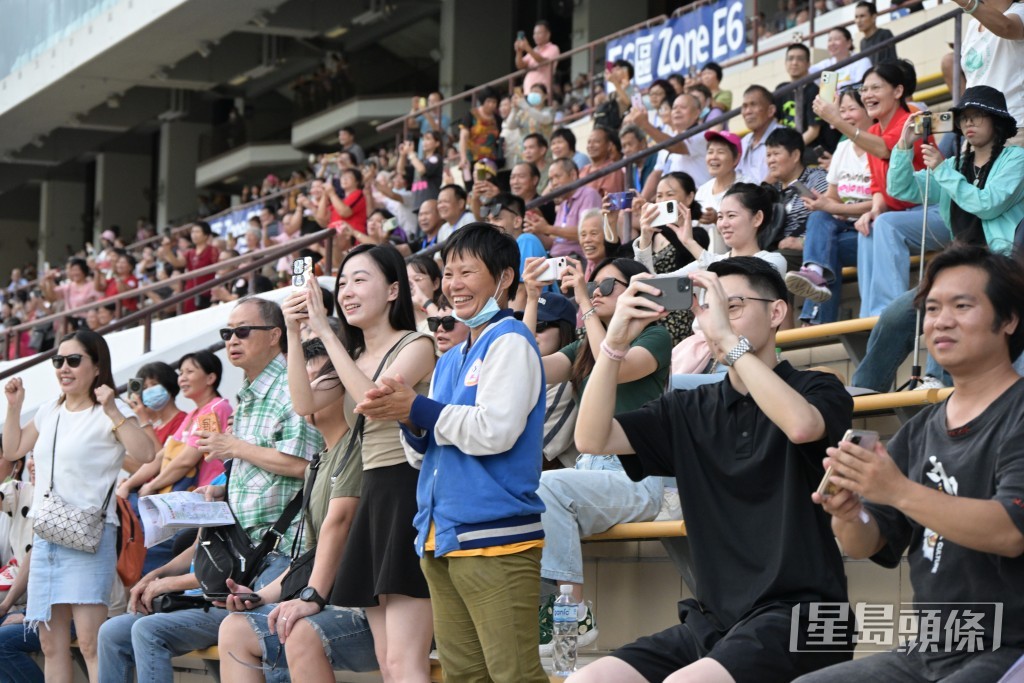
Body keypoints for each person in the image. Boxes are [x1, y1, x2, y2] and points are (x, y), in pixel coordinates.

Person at [566, 256, 854, 683]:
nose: (716, 315)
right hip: (716, 622)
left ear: (777, 312)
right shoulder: (689, 407)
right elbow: (591, 439)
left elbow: (801, 426)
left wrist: (727, 342)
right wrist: (614, 344)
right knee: (587, 680)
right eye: (709, 304)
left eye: (731, 304)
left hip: (807, 620)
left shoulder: (816, 388)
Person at [796, 245, 1024, 683]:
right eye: (933, 308)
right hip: (933, 649)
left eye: (963, 305)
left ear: (1009, 319)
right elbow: (866, 543)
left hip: (1010, 646)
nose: (942, 320)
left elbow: (1010, 532)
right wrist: (850, 512)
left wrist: (896, 488)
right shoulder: (920, 430)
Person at [356, 223, 549, 683]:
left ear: (504, 278)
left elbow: (495, 431)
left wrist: (418, 407)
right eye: (448, 273)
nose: (453, 284)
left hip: (497, 539)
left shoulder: (511, 340)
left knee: (514, 674)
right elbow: (424, 456)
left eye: (467, 272)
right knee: (465, 675)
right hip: (442, 538)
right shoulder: (453, 355)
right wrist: (407, 418)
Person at [96, 297, 324, 683]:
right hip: (234, 555)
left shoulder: (290, 388)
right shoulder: (248, 396)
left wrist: (234, 448)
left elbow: (306, 468)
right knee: (112, 632)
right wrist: (222, 491)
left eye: (242, 331)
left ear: (274, 336)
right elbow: (257, 471)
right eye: (227, 333)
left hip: (278, 560)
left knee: (146, 630)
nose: (232, 340)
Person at [296, 244, 436, 683]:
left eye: (360, 280)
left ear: (394, 290)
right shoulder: (351, 357)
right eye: (341, 283)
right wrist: (293, 324)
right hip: (374, 493)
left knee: (406, 661)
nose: (347, 292)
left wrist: (326, 330)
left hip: (410, 489)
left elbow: (370, 402)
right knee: (387, 661)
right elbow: (304, 403)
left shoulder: (418, 344)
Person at [521, 254, 671, 654]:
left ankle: (570, 611)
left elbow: (617, 365)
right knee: (518, 493)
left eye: (607, 286)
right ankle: (557, 622)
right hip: (590, 473)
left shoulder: (655, 336)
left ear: (636, 293)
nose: (597, 293)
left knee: (543, 486)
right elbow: (526, 368)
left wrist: (584, 302)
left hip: (634, 476)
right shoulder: (582, 347)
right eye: (594, 285)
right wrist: (532, 300)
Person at [215, 337, 375, 683]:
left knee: (300, 630)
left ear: (343, 386)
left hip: (366, 609)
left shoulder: (356, 448)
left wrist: (311, 598)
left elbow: (340, 524)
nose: (298, 390)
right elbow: (311, 557)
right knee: (235, 628)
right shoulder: (319, 461)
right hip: (330, 600)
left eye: (311, 379)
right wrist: (261, 595)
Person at [3, 329, 156, 682]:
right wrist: (13, 408)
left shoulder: (107, 413)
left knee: (89, 641)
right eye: (58, 361)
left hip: (90, 535)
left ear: (97, 365)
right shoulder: (49, 410)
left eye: (74, 360)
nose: (64, 368)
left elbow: (147, 454)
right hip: (47, 536)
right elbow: (13, 450)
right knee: (51, 643)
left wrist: (114, 409)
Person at [849, 86, 1024, 391]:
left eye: (978, 117)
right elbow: (902, 191)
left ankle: (935, 379)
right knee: (894, 316)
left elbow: (988, 203)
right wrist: (904, 146)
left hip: (1003, 266)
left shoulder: (1016, 159)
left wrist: (943, 169)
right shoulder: (955, 166)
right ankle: (864, 390)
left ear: (997, 122)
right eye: (964, 118)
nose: (969, 123)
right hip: (960, 266)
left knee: (944, 307)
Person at [814, 62, 939, 316]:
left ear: (897, 91)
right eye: (864, 89)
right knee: (868, 227)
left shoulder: (911, 120)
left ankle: (892, 311)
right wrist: (874, 209)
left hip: (932, 211)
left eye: (876, 88)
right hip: (901, 214)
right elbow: (877, 186)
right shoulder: (872, 130)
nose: (867, 94)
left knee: (886, 224)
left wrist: (837, 120)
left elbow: (885, 149)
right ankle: (870, 314)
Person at [786, 87, 874, 325]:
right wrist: (823, 202)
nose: (844, 115)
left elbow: (880, 204)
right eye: (841, 109)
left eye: (851, 109)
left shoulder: (878, 144)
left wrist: (832, 208)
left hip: (871, 230)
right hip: (844, 228)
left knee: (824, 248)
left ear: (869, 109)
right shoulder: (843, 148)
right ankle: (814, 272)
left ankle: (815, 318)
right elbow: (834, 196)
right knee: (819, 220)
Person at [634, 182, 788, 278]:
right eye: (720, 217)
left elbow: (739, 275)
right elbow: (651, 283)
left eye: (731, 215)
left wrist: (690, 243)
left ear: (757, 218)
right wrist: (645, 238)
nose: (723, 224)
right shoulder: (707, 263)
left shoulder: (774, 261)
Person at [627, 173, 711, 342]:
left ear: (689, 197)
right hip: (651, 311)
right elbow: (634, 268)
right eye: (659, 196)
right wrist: (644, 235)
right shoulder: (652, 234)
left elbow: (686, 254)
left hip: (683, 314)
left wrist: (660, 224)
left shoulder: (698, 235)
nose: (663, 200)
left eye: (670, 194)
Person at [955, 0, 1024, 146]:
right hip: (979, 129)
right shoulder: (973, 25)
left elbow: (1007, 27)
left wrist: (967, 3)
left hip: (1014, 125)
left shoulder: (1020, 11)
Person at [626, 93, 710, 192]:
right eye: (674, 108)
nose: (677, 111)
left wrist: (644, 124)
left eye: (683, 107)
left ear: (697, 113)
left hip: (698, 200)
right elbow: (657, 173)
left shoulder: (702, 134)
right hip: (673, 201)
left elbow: (676, 146)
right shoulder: (670, 137)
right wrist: (643, 199)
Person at [765, 127, 829, 252]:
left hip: (806, 251)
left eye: (776, 154)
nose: (771, 160)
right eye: (768, 155)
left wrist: (804, 242)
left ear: (795, 155)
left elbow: (831, 215)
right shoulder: (772, 191)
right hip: (774, 252)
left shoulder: (816, 179)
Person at [525, 158, 602, 258]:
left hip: (577, 258)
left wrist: (548, 229)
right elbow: (554, 241)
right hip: (555, 258)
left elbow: (586, 233)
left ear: (573, 175)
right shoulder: (564, 201)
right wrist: (536, 229)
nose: (554, 183)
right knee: (527, 239)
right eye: (551, 179)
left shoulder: (588, 194)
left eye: (557, 176)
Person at [484, 192, 546, 309]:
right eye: (488, 220)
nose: (490, 225)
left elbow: (521, 292)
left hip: (544, 318)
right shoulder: (499, 252)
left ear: (517, 222)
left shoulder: (526, 240)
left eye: (497, 219)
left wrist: (513, 327)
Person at [775, 44, 839, 156]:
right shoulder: (781, 89)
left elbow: (813, 132)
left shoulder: (814, 90)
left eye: (800, 59)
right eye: (790, 58)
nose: (794, 62)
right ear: (785, 63)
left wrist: (790, 151)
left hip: (811, 149)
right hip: (788, 147)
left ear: (808, 64)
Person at [695, 130, 750, 252]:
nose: (713, 157)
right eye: (710, 152)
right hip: (702, 254)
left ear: (736, 159)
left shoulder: (747, 187)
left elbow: (749, 230)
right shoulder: (703, 190)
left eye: (721, 152)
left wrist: (717, 220)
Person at [159, 221, 220, 314]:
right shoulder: (189, 252)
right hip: (190, 293)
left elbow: (218, 270)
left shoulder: (212, 250)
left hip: (207, 292)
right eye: (192, 232)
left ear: (206, 235)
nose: (194, 235)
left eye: (197, 232)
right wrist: (167, 249)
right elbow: (177, 263)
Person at [736, 85, 783, 183]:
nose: (748, 111)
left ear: (771, 110)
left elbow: (780, 174)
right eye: (744, 106)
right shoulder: (744, 142)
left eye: (753, 105)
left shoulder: (784, 136)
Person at [40, 258, 100, 329]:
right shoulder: (68, 286)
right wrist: (49, 280)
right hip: (70, 323)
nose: (74, 273)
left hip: (87, 322)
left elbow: (99, 300)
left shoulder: (91, 285)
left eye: (77, 270)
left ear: (84, 270)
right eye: (72, 270)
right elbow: (52, 296)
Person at [459, 88, 502, 177]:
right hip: (471, 159)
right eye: (488, 101)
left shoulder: (497, 119)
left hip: (490, 160)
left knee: (485, 183)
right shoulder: (471, 115)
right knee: (472, 184)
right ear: (483, 101)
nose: (491, 105)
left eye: (494, 102)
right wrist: (463, 157)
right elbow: (463, 137)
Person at [515, 20, 561, 95]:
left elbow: (542, 61)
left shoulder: (553, 48)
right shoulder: (534, 51)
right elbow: (520, 65)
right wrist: (519, 52)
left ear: (548, 34)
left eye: (539, 33)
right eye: (534, 33)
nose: (536, 36)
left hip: (542, 90)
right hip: (528, 91)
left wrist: (527, 48)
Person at [400, 131, 444, 207]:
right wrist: (403, 155)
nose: (424, 142)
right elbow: (401, 170)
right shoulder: (419, 162)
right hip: (417, 203)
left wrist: (411, 153)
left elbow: (422, 170)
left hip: (430, 202)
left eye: (428, 139)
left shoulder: (436, 158)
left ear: (437, 143)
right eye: (423, 139)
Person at [579, 126, 625, 196]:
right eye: (589, 142)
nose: (591, 145)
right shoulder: (583, 170)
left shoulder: (613, 170)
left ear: (609, 146)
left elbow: (611, 202)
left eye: (596, 142)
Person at [408, 254, 444, 332]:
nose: (410, 285)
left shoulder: (447, 311)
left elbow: (445, 329)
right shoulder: (401, 322)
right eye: (406, 281)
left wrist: (423, 301)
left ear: (435, 283)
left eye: (417, 279)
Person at [620, 124, 658, 194]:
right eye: (624, 146)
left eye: (630, 144)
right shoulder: (631, 167)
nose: (627, 150)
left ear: (643, 143)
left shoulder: (656, 159)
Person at [855, 2, 896, 66]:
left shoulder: (885, 34)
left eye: (862, 16)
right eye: (856, 17)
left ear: (873, 17)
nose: (858, 21)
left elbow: (890, 62)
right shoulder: (862, 42)